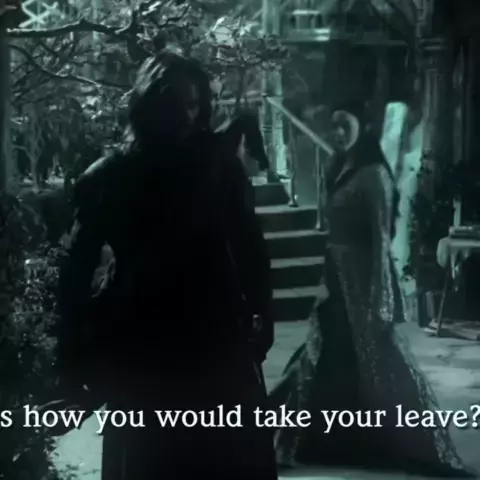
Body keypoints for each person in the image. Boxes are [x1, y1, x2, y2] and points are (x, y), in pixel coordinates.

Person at [56, 53, 277, 480]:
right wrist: (73, 356)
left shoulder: (218, 168)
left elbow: (250, 247)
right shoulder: (109, 176)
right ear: (149, 105)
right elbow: (75, 271)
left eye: (194, 105)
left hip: (215, 340)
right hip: (145, 347)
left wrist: (262, 313)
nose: (186, 116)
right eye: (176, 104)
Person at [269, 108, 475, 477]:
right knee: (323, 355)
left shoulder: (373, 174)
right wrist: (324, 279)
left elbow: (381, 241)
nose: (337, 132)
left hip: (364, 280)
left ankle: (399, 440)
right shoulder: (337, 167)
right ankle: (322, 440)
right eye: (332, 126)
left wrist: (381, 298)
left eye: (344, 124)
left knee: (377, 360)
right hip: (336, 278)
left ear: (361, 126)